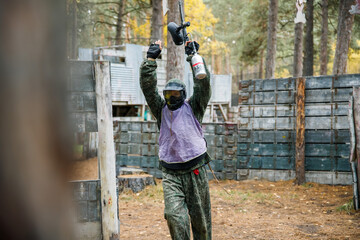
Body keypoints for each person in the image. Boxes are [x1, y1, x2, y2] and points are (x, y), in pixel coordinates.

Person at [140, 40, 212, 240]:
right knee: (174, 216)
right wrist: (150, 60)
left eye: (175, 94)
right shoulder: (160, 109)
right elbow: (148, 89)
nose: (171, 98)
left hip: (195, 171)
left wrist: (194, 57)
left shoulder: (194, 107)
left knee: (201, 223)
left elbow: (203, 84)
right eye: (168, 94)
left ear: (183, 95)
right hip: (171, 174)